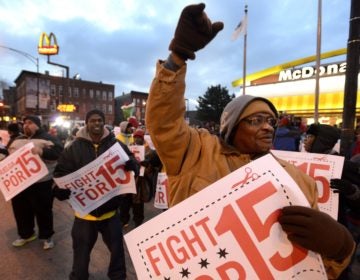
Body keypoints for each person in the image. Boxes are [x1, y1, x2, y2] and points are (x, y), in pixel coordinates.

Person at [144, 3, 354, 279]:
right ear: (230, 127)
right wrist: (178, 57)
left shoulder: (298, 181)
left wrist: (340, 250)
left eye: (271, 121)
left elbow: (309, 268)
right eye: (255, 120)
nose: (267, 127)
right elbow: (164, 121)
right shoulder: (196, 151)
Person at [53, 109, 140, 280]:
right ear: (87, 123)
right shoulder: (73, 148)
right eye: (93, 120)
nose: (97, 123)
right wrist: (60, 191)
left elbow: (133, 165)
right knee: (81, 257)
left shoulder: (116, 145)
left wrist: (132, 166)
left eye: (100, 120)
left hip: (110, 214)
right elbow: (60, 174)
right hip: (85, 216)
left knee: (117, 255)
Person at [9, 115, 63, 249]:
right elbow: (9, 155)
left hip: (41, 183)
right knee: (21, 211)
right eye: (24, 123)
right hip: (20, 183)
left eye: (30, 122)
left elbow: (59, 153)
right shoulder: (17, 140)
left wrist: (42, 151)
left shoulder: (49, 138)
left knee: (43, 211)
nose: (26, 125)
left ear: (37, 124)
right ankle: (26, 234)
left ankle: (47, 236)